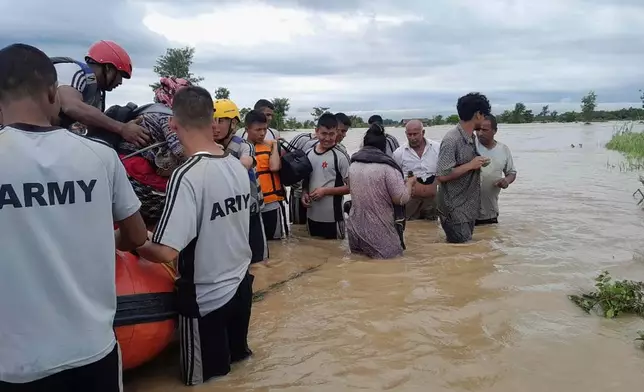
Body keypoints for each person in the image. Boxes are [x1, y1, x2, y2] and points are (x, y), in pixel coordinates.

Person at [0, 43, 147, 391]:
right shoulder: (100, 157)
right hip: (92, 352)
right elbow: (136, 237)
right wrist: (102, 239)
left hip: (15, 363)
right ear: (53, 91)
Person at [135, 86, 254, 387]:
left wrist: (134, 241)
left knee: (204, 382)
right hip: (241, 289)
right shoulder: (237, 165)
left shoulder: (186, 175)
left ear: (173, 124)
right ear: (212, 121)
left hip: (206, 301)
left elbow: (165, 252)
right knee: (241, 373)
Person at [116, 77, 191, 228]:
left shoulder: (152, 110)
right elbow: (178, 149)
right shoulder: (166, 115)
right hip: (136, 166)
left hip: (127, 163)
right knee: (170, 201)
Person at [52, 40, 150, 147]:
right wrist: (122, 128)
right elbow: (71, 106)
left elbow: (90, 126)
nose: (120, 82)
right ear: (108, 68)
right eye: (120, 75)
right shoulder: (73, 70)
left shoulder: (96, 93)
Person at [347, 124, 415, 258]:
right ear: (383, 147)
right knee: (390, 269)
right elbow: (400, 198)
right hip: (380, 233)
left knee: (359, 269)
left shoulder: (353, 165)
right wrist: (410, 183)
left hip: (355, 230)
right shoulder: (387, 168)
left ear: (364, 145)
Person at [213, 99, 269, 263]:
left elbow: (245, 162)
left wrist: (219, 157)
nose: (215, 126)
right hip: (227, 211)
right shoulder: (208, 146)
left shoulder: (244, 145)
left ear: (234, 124)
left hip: (250, 209)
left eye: (221, 121)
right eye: (212, 121)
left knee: (258, 260)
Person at [436, 92, 492, 243]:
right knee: (460, 252)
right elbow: (441, 175)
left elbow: (467, 164)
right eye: (485, 115)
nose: (485, 119)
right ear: (478, 114)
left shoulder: (470, 137)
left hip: (468, 207)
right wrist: (470, 165)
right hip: (454, 210)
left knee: (464, 255)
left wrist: (478, 162)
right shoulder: (452, 139)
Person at [302, 113, 350, 240]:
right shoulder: (308, 153)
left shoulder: (340, 156)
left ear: (337, 133)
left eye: (331, 134)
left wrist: (325, 191)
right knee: (314, 251)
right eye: (324, 134)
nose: (328, 138)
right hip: (311, 216)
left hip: (333, 218)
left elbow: (352, 187)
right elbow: (306, 179)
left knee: (336, 254)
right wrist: (304, 193)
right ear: (316, 131)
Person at [244, 110, 289, 240]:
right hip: (250, 206)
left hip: (271, 203)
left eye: (265, 129)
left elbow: (275, 167)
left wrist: (275, 146)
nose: (262, 133)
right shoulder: (240, 148)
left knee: (276, 244)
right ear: (247, 129)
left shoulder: (270, 145)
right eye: (258, 130)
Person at [393, 119, 440, 220]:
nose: (412, 138)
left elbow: (444, 172)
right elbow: (395, 180)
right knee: (409, 226)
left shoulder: (437, 148)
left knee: (433, 228)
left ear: (423, 132)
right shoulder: (399, 153)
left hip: (432, 200)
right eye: (409, 134)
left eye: (415, 134)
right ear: (405, 134)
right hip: (410, 201)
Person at [475, 114, 517, 225]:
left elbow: (511, 172)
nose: (480, 133)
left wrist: (506, 181)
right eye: (477, 129)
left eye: (484, 130)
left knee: (489, 239)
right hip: (467, 213)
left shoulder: (503, 149)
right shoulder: (469, 146)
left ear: (495, 131)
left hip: (490, 212)